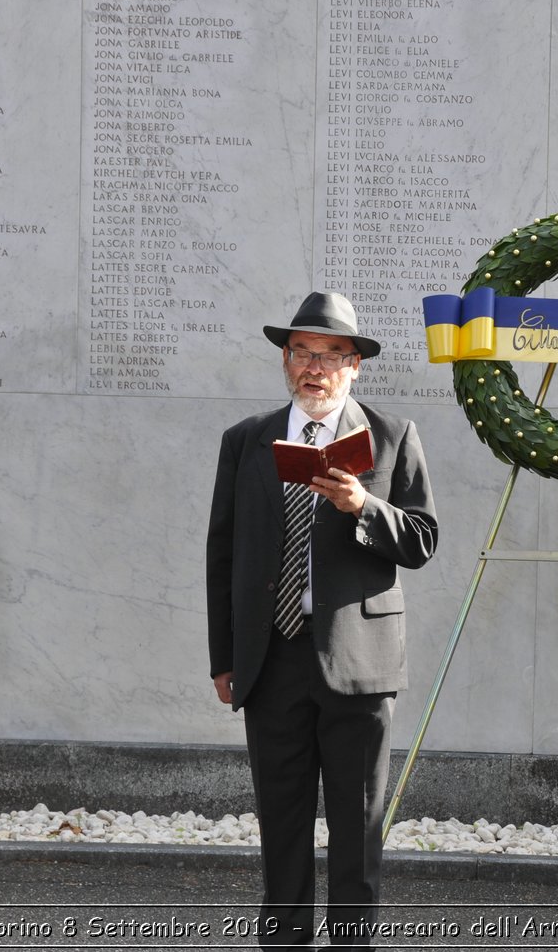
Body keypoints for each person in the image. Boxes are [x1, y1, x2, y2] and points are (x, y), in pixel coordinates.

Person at [207, 292, 438, 948]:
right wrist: (224, 658)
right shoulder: (246, 441)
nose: (315, 368)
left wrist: (364, 505)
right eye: (303, 353)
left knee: (356, 831)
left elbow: (422, 540)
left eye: (331, 356)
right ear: (286, 359)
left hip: (359, 664)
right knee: (282, 830)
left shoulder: (392, 438)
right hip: (271, 660)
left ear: (355, 365)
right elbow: (222, 554)